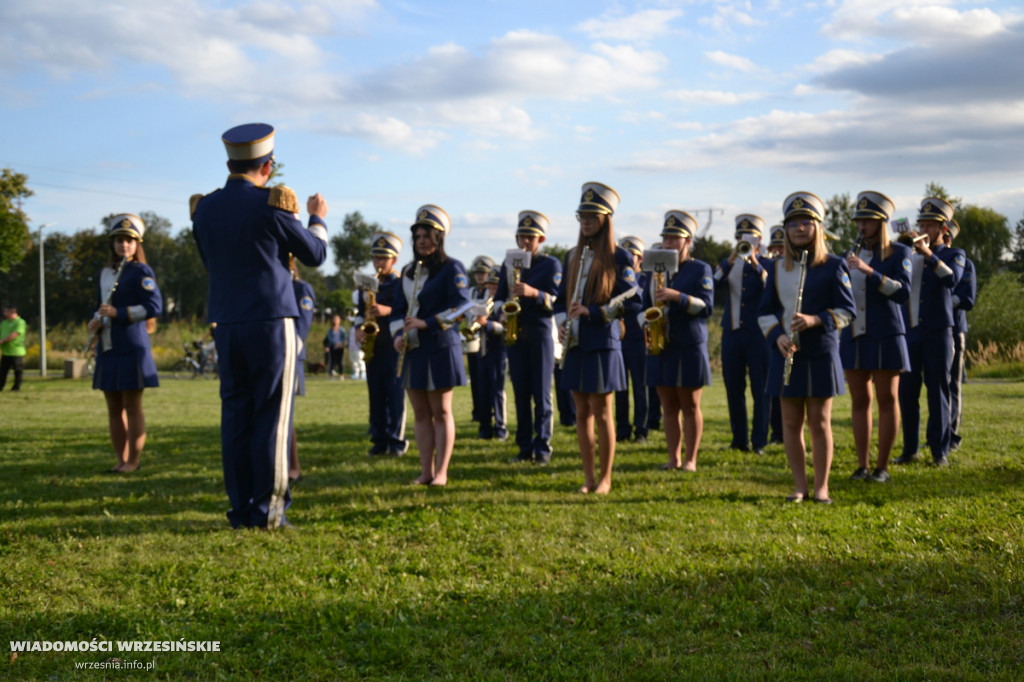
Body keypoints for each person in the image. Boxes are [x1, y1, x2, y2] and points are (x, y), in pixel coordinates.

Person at [191, 122, 329, 529]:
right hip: (270, 324)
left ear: (230, 162)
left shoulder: (205, 208)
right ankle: (269, 511)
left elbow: (210, 262)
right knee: (272, 416)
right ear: (267, 166)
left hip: (227, 324)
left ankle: (240, 510)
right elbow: (315, 253)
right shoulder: (271, 204)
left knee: (235, 417)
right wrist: (317, 218)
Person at [758, 192, 855, 503]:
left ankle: (821, 486)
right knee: (789, 422)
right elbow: (763, 312)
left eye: (806, 222)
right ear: (785, 230)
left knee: (820, 421)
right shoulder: (775, 268)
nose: (799, 228)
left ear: (818, 227)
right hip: (785, 353)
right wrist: (777, 336)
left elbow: (847, 311)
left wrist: (816, 320)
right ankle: (799, 485)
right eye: (793, 224)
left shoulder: (834, 265)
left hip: (820, 352)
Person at [555, 182, 640, 494]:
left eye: (592, 215)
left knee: (603, 413)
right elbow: (557, 300)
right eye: (582, 215)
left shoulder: (620, 257)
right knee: (581, 413)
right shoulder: (571, 255)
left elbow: (633, 300)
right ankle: (588, 478)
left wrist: (595, 313)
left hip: (603, 343)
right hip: (575, 344)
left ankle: (605, 479)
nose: (586, 221)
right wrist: (563, 323)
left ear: (606, 218)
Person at [391, 205, 470, 486]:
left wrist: (429, 323)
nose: (422, 240)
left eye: (427, 235)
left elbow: (462, 306)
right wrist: (398, 333)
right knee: (421, 413)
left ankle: (441, 473)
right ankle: (425, 471)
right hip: (413, 349)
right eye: (418, 236)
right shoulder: (408, 270)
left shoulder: (452, 269)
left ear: (439, 238)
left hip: (440, 346)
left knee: (441, 412)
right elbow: (398, 309)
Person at [840, 191, 912, 484]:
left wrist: (869, 272)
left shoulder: (899, 253)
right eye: (859, 221)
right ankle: (862, 465)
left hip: (887, 333)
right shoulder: (852, 255)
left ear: (881, 222)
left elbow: (903, 292)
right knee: (860, 401)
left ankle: (882, 467)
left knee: (887, 399)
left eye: (867, 221)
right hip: (856, 334)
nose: (861, 227)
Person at [87, 214, 163, 473]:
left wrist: (119, 314)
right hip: (108, 347)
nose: (124, 245)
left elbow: (155, 306)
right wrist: (95, 321)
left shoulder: (142, 271)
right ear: (113, 243)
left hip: (132, 346)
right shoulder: (104, 274)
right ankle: (120, 459)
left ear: (137, 244)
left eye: (130, 241)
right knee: (113, 409)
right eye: (120, 240)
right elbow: (102, 306)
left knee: (132, 407)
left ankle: (133, 461)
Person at [896, 197, 965, 467]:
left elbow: (952, 279)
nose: (923, 226)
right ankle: (910, 448)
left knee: (938, 391)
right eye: (921, 222)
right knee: (907, 393)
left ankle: (940, 451)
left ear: (941, 228)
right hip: (911, 331)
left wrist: (927, 254)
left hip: (938, 332)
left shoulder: (953, 254)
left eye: (929, 224)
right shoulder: (909, 255)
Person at [644, 211, 714, 471]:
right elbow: (643, 304)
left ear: (688, 241)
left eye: (675, 238)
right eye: (666, 237)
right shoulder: (655, 268)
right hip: (661, 344)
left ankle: (690, 459)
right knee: (668, 405)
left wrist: (678, 297)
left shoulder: (700, 269)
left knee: (690, 404)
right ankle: (673, 458)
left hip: (688, 344)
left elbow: (706, 307)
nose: (668, 243)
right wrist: (646, 323)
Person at [493, 211, 562, 464]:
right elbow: (499, 296)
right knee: (521, 393)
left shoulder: (550, 264)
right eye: (522, 236)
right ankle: (524, 447)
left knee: (542, 393)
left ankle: (542, 447)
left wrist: (535, 293)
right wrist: (501, 312)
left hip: (540, 331)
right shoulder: (508, 263)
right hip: (516, 333)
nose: (525, 242)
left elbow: (557, 300)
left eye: (530, 238)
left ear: (540, 239)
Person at [714, 214, 769, 455]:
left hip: (758, 335)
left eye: (748, 238)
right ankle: (739, 439)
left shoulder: (767, 264)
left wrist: (755, 261)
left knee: (760, 390)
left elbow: (770, 285)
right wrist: (733, 257)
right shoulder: (729, 263)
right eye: (739, 237)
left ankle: (759, 441)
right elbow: (714, 283)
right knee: (733, 388)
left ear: (759, 240)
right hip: (732, 333)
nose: (743, 242)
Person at [354, 231, 409, 457]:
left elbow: (406, 310)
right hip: (373, 345)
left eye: (383, 259)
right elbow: (360, 312)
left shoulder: (400, 284)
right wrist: (358, 328)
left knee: (395, 394)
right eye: (376, 258)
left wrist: (386, 310)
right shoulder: (368, 284)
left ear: (394, 260)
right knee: (375, 393)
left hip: (393, 344)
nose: (378, 263)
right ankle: (379, 439)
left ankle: (397, 441)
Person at [615, 236, 651, 445]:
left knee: (639, 386)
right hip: (620, 335)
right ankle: (622, 428)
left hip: (639, 337)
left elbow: (642, 303)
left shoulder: (646, 279)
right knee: (620, 387)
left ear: (640, 258)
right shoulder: (616, 277)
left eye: (633, 256)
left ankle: (641, 430)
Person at [946, 220, 975, 452]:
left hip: (954, 329)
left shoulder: (964, 263)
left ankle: (952, 434)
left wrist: (943, 303)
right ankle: (938, 433)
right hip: (931, 331)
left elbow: (967, 298)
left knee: (952, 385)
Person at [289, 259, 315, 482]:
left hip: (288, 356)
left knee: (285, 415)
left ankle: (293, 467)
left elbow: (301, 329)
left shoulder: (300, 289)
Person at [478, 265, 508, 441]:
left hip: (499, 352)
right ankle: (485, 427)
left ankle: (500, 427)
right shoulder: (484, 305)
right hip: (483, 351)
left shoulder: (503, 306)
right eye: (490, 287)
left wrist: (486, 324)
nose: (491, 290)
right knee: (483, 391)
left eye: (495, 287)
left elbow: (504, 328)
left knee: (497, 391)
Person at [465, 255, 495, 434]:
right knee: (475, 379)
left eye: (483, 273)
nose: (480, 276)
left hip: (487, 339)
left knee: (489, 382)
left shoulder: (491, 293)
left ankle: (492, 415)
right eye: (477, 273)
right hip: (472, 339)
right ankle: (478, 411)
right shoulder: (472, 292)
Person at [763, 226, 786, 446]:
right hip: (772, 334)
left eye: (781, 246)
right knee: (774, 387)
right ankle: (776, 432)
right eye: (774, 247)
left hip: (789, 333)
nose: (778, 251)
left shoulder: (774, 267)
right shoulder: (768, 265)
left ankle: (782, 432)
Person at [0, 304, 27, 392]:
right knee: (3, 372)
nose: (4, 313)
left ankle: (16, 387)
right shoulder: (4, 323)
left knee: (17, 371)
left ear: (11, 312)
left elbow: (15, 334)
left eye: (5, 311)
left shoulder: (20, 322)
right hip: (5, 351)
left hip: (16, 351)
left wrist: (3, 341)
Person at [324, 314, 346, 379]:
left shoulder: (342, 329)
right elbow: (329, 338)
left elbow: (344, 337)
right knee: (332, 361)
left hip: (340, 347)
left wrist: (340, 343)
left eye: (337, 319)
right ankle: (331, 375)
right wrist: (335, 343)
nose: (335, 321)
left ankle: (341, 375)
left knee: (340, 361)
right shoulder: (330, 330)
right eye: (334, 319)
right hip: (333, 347)